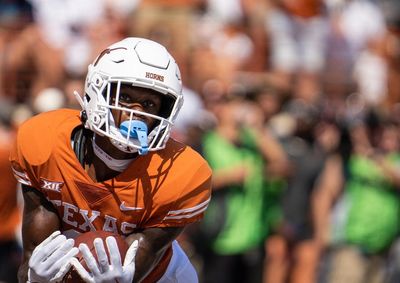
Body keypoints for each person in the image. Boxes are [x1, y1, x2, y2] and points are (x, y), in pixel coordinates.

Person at [10, 37, 212, 283]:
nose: (135, 113)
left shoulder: (181, 172)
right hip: (68, 261)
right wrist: (34, 279)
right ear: (97, 91)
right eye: (124, 97)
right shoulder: (45, 141)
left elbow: (139, 264)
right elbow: (31, 259)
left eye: (149, 103)